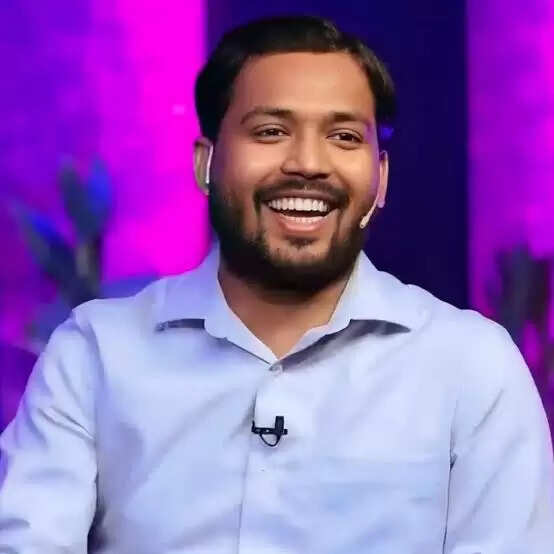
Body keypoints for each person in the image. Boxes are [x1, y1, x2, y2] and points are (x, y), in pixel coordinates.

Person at [1, 15, 553, 554]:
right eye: (271, 132)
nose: (308, 164)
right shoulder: (96, 354)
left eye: (343, 136)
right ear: (207, 163)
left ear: (381, 177)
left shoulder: (472, 366)